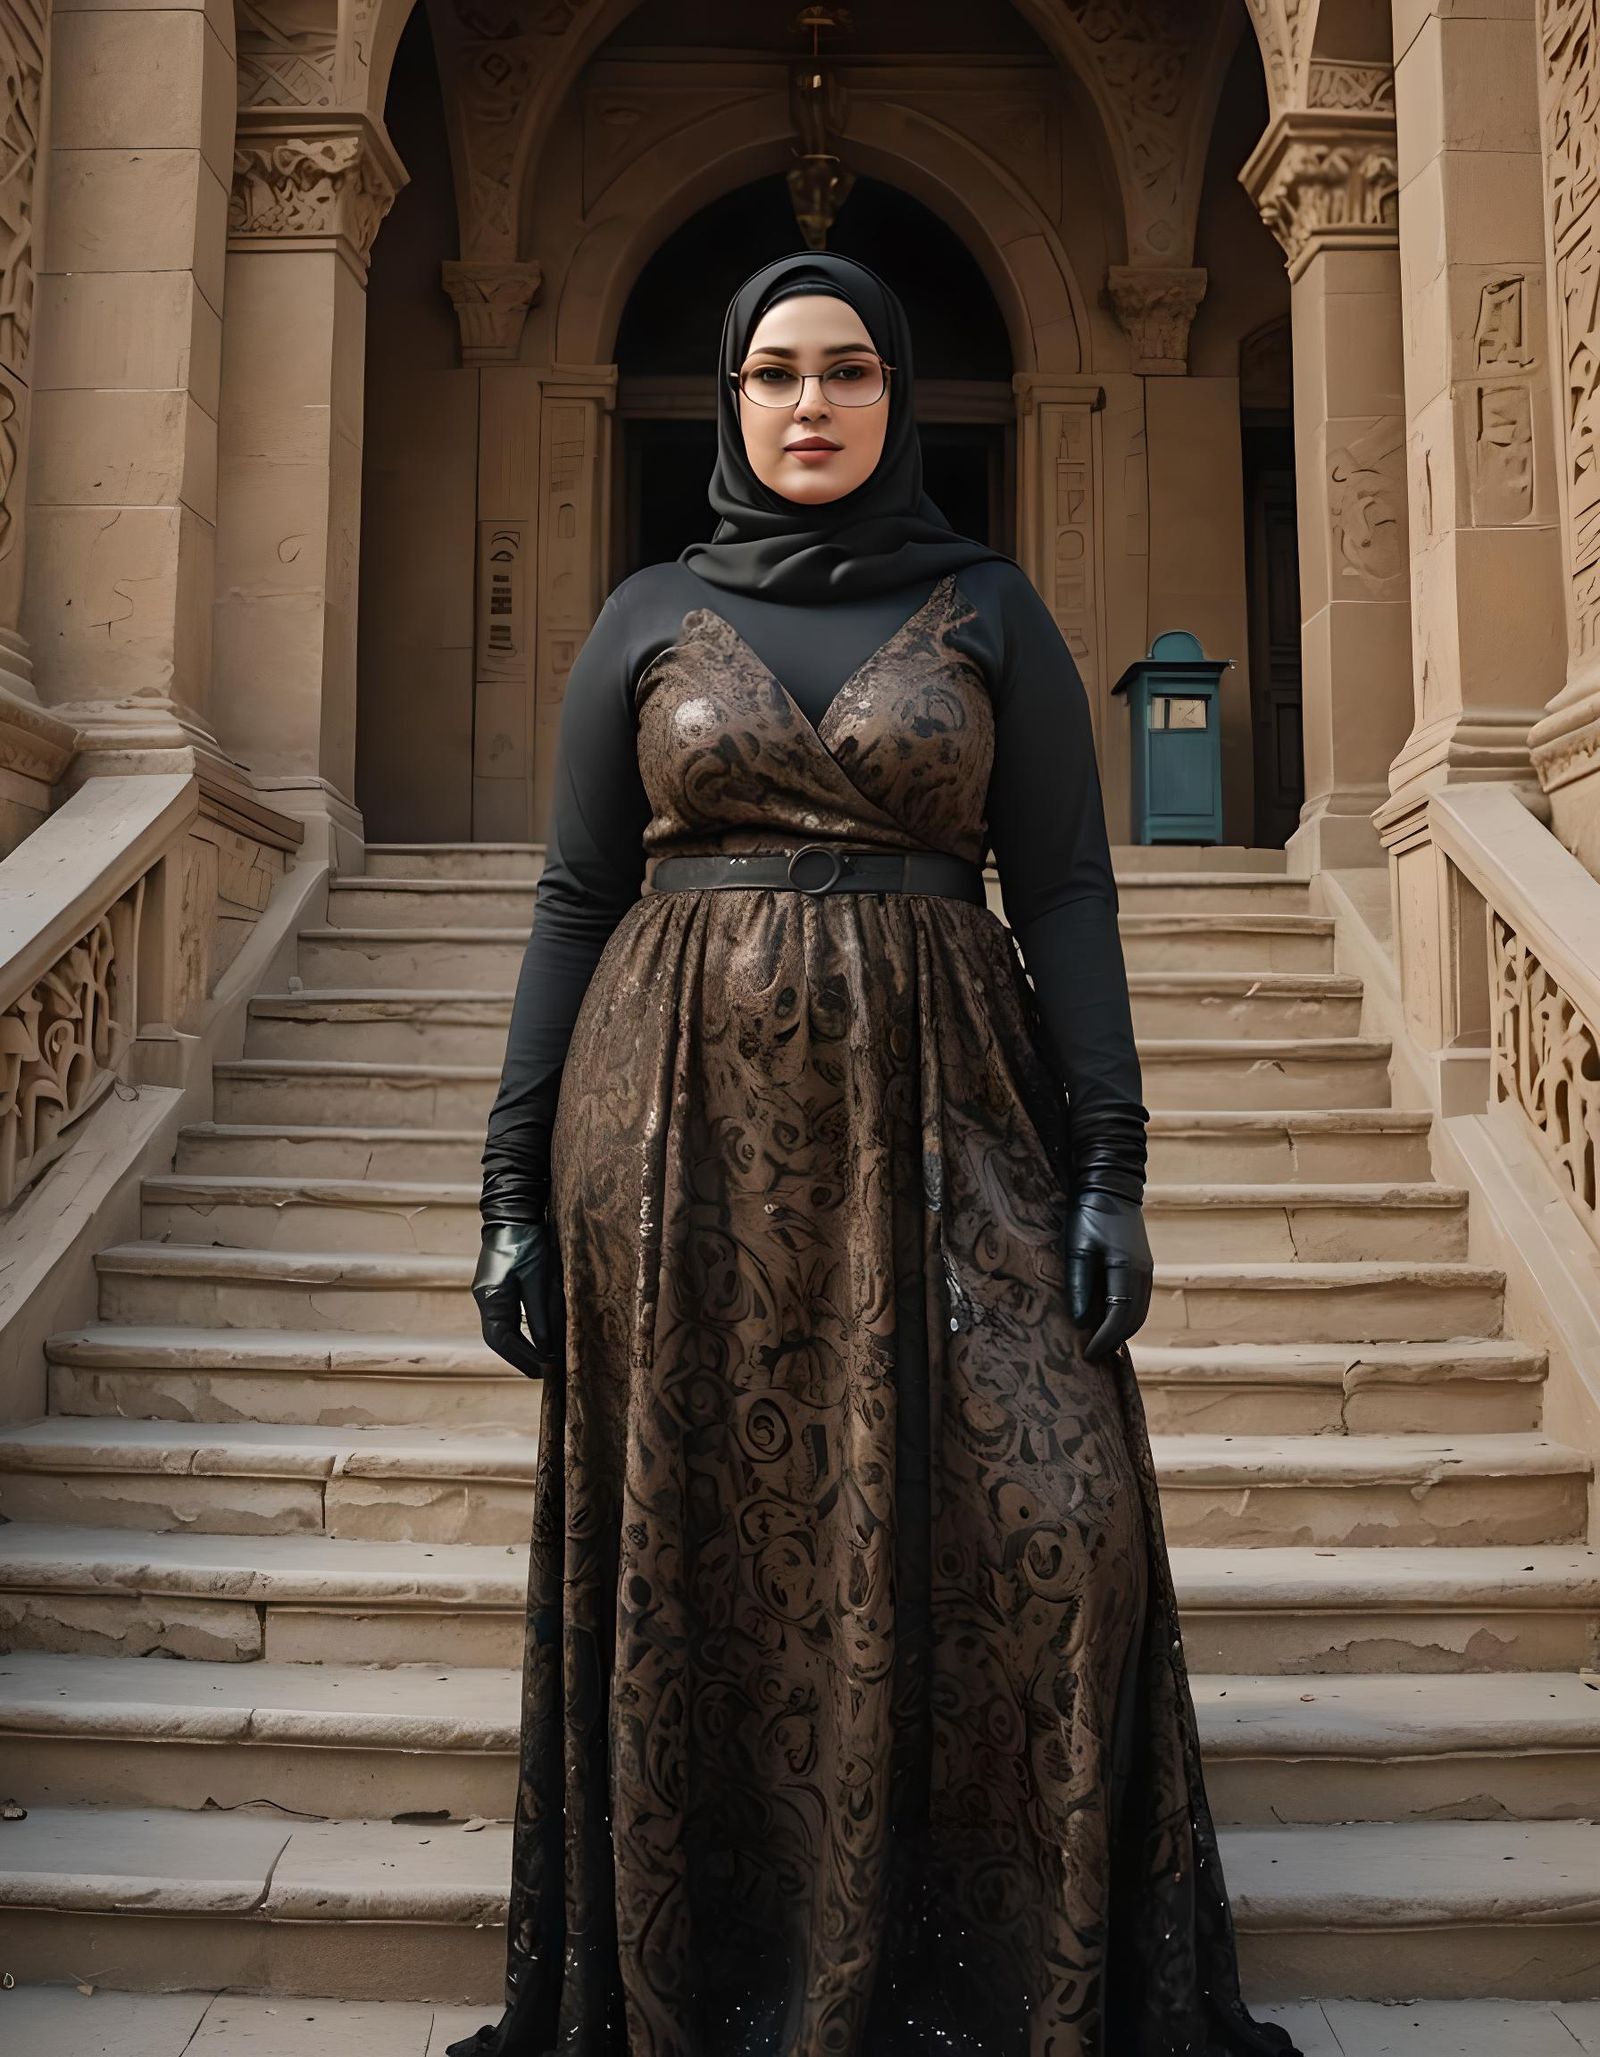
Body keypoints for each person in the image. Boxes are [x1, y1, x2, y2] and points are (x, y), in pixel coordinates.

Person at [452, 250, 1300, 2057]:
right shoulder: (644, 616)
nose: (813, 403)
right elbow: (571, 898)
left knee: (1060, 1521)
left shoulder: (990, 608)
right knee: (709, 1555)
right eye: (775, 372)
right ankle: (726, 1963)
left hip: (953, 1108)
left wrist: (1111, 1167)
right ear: (732, 401)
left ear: (900, 393)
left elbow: (1063, 889)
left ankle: (987, 1970)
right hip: (673, 1135)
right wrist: (510, 1185)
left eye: (848, 369)